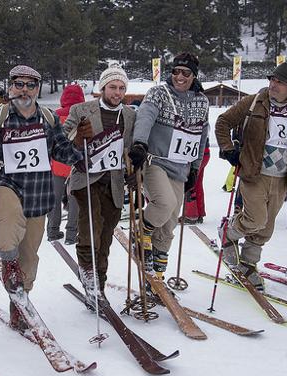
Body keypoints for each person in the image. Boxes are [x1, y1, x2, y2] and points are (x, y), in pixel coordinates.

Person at [0, 65, 92, 329]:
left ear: (37, 89)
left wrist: (79, 142)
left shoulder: (47, 117)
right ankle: (8, 265)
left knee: (30, 256)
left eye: (30, 85)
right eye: (19, 84)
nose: (24, 90)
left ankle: (19, 301)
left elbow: (64, 154)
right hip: (2, 182)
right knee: (11, 217)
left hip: (38, 191)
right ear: (10, 87)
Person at [215, 62, 287, 291]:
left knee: (265, 228)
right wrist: (228, 150)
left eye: (280, 82)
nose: (274, 85)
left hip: (283, 177)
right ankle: (228, 232)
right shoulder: (254, 102)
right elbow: (223, 122)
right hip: (254, 173)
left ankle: (248, 264)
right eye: (273, 80)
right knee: (255, 219)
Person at [129, 52, 209, 285]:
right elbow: (145, 116)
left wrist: (195, 168)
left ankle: (157, 275)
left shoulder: (201, 101)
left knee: (169, 223)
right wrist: (140, 142)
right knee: (164, 203)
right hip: (155, 162)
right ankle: (140, 230)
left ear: (194, 76)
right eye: (176, 72)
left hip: (181, 167)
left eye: (186, 73)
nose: (179, 77)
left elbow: (201, 135)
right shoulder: (159, 93)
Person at [64, 65, 135, 297]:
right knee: (91, 219)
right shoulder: (81, 110)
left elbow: (131, 148)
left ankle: (98, 285)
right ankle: (86, 267)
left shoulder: (130, 115)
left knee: (105, 236)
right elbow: (62, 142)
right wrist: (77, 138)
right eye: (112, 87)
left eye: (121, 88)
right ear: (102, 88)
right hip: (86, 177)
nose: (117, 92)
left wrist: (134, 171)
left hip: (113, 182)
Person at [47, 84, 83, 243]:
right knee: (75, 198)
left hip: (57, 163)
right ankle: (71, 233)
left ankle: (52, 231)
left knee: (54, 199)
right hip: (76, 164)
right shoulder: (83, 115)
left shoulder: (54, 116)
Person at [183, 137, 210, 224]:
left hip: (194, 153)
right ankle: (199, 213)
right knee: (197, 184)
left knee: (191, 183)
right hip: (204, 152)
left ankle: (191, 215)